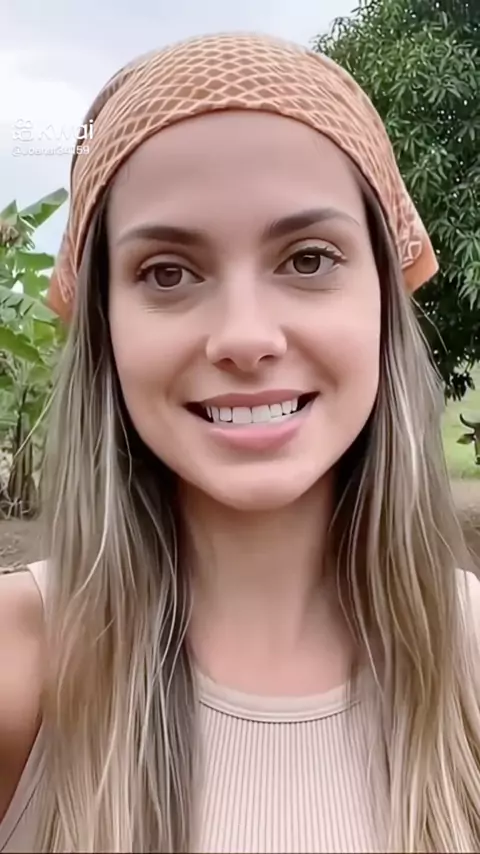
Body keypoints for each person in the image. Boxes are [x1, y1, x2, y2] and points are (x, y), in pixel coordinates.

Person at [0, 31, 479, 854]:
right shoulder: (17, 670)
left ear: (383, 298)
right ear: (104, 325)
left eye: (309, 259)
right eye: (167, 272)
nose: (246, 338)